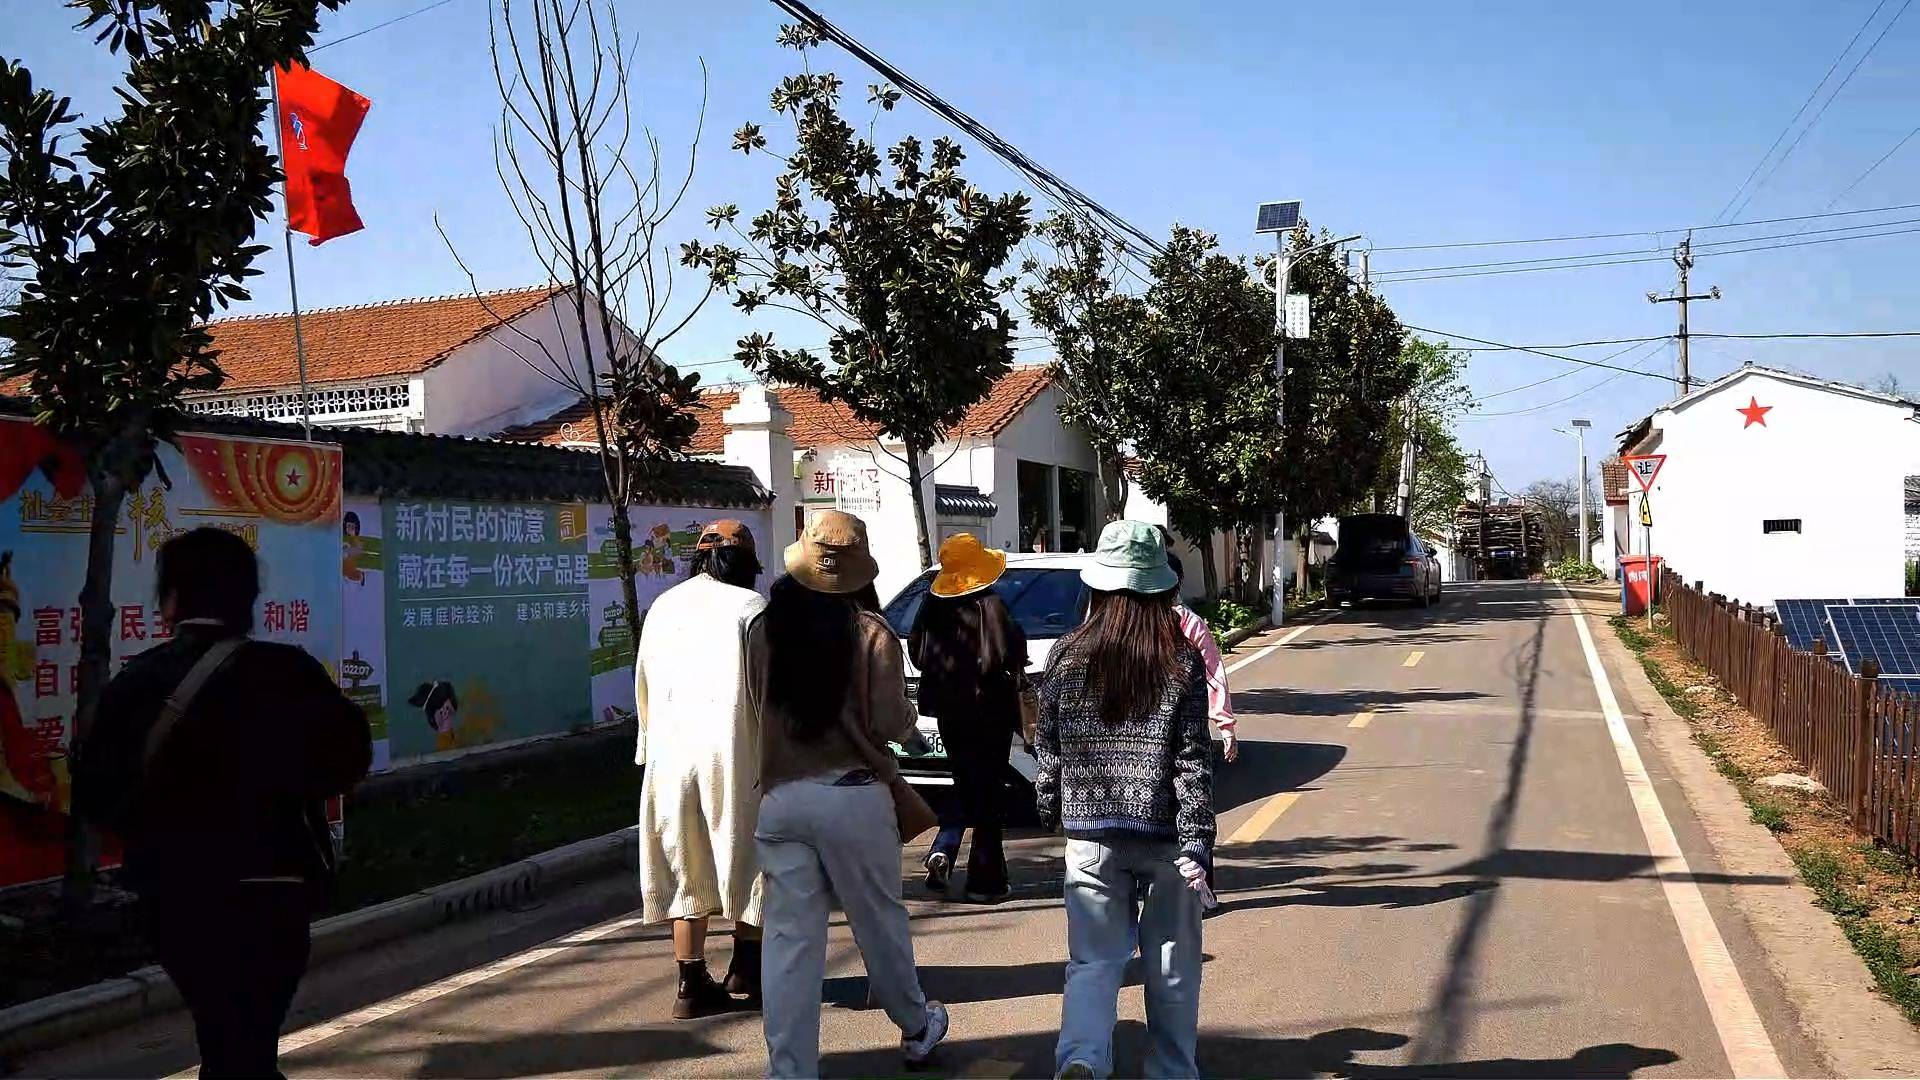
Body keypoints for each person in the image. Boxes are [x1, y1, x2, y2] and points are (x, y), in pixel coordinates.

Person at [75, 528, 371, 1080]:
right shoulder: (290, 671)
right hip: (275, 890)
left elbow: (95, 793)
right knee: (247, 1040)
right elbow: (348, 761)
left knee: (225, 1035)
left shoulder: (136, 682)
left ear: (171, 601)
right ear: (249, 600)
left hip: (178, 897)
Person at [749, 509, 949, 1077]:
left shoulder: (764, 630)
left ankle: (790, 1070)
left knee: (789, 944)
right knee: (879, 924)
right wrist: (909, 726)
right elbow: (890, 720)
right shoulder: (869, 632)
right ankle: (916, 1026)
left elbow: (756, 704)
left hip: (782, 797)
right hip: (853, 794)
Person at [1036, 520, 1215, 1080]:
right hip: (1167, 840)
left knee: (1092, 962)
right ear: (1160, 588)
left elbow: (1049, 748)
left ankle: (1083, 1058)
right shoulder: (1181, 660)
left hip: (1090, 835)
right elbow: (1192, 760)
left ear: (1099, 585)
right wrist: (1198, 843)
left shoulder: (1066, 654)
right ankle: (1172, 1071)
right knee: (1172, 965)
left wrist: (1051, 807)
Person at [634, 519, 769, 1019]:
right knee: (751, 859)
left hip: (671, 757)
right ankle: (747, 970)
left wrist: (647, 745)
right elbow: (767, 692)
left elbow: (643, 684)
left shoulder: (664, 606)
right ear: (747, 563)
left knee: (685, 864)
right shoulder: (752, 609)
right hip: (736, 752)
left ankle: (690, 984)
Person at [910, 533, 1028, 902]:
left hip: (949, 710)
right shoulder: (991, 604)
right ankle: (985, 881)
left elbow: (917, 653)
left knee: (964, 783)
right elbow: (1010, 651)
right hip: (990, 710)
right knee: (988, 791)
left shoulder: (931, 607)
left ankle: (944, 848)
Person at [1164, 551, 1238, 764]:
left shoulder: (1121, 622)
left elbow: (1212, 673)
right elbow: (1213, 674)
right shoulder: (1190, 623)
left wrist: (1226, 726)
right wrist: (1226, 727)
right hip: (1183, 729)